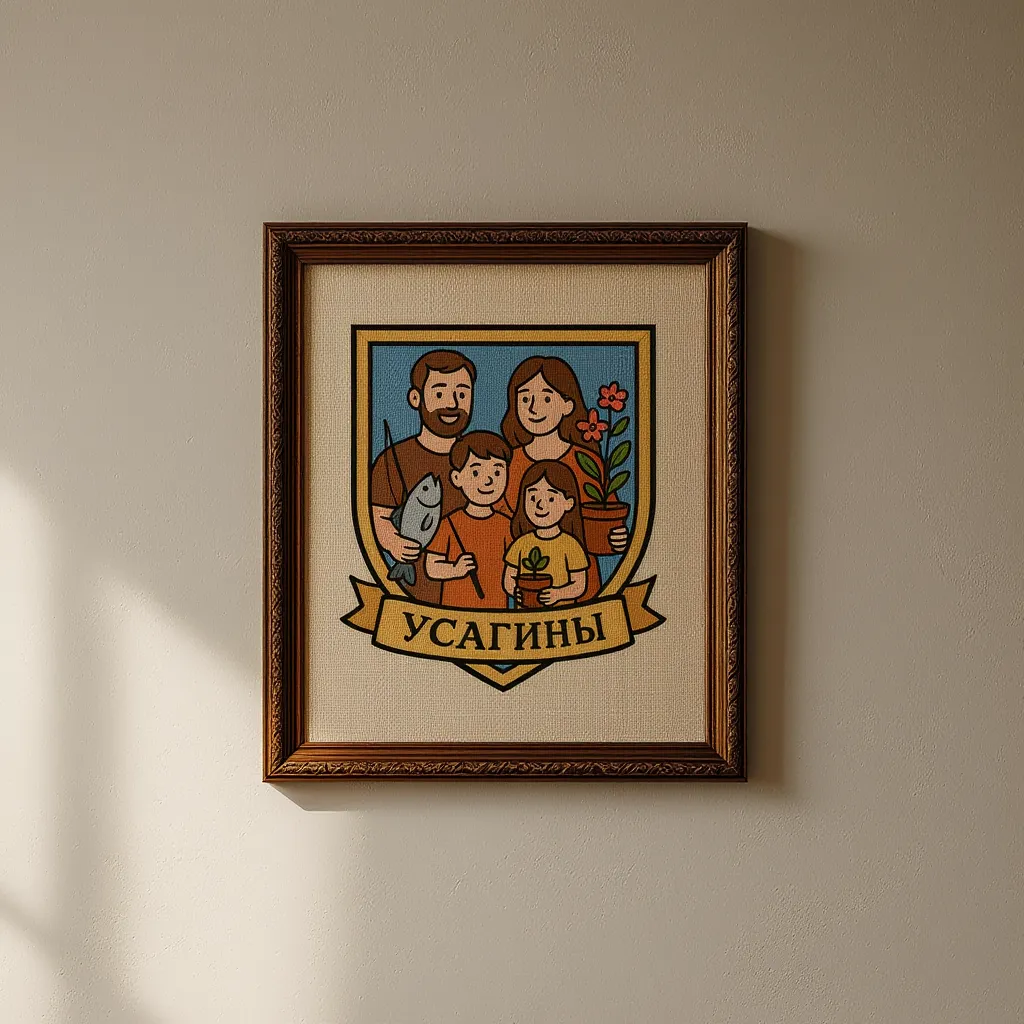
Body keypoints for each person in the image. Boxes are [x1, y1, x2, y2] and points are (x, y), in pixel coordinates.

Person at [499, 356, 626, 600]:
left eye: (546, 398)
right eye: (525, 399)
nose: (534, 408)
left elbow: (606, 518)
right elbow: (499, 521)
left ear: (567, 405)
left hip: (581, 588)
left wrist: (616, 539)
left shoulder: (586, 462)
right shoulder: (508, 463)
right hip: (526, 590)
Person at [370, 349, 475, 604]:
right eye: (439, 394)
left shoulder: (481, 460)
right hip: (417, 596)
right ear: (416, 398)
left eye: (462, 394)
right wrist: (393, 543)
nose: (452, 404)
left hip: (473, 593)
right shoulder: (392, 459)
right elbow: (380, 518)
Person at [425, 432, 513, 609]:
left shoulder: (506, 525)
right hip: (454, 612)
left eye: (497, 472)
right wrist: (455, 570)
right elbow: (431, 567)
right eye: (476, 472)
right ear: (457, 478)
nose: (488, 480)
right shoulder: (448, 524)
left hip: (497, 612)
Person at [503, 461, 589, 607]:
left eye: (551, 499)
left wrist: (558, 594)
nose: (540, 505)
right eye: (533, 498)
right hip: (524, 616)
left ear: (568, 503)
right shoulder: (521, 543)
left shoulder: (571, 545)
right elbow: (509, 578)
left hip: (563, 615)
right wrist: (515, 591)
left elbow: (579, 585)